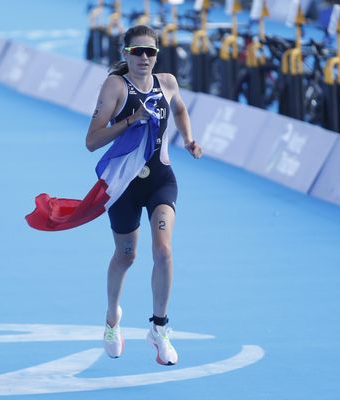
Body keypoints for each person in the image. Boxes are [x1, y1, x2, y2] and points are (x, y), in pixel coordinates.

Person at [85, 24, 202, 366]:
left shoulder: (167, 82)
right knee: (126, 256)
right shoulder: (115, 87)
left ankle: (160, 328)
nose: (144, 58)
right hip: (124, 184)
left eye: (150, 52)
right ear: (126, 55)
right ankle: (111, 318)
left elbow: (178, 109)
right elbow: (92, 140)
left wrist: (189, 139)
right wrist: (131, 120)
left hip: (160, 179)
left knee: (163, 251)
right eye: (137, 52)